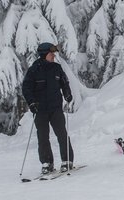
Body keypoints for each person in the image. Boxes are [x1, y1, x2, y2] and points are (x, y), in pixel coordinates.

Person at [22, 42, 74, 174]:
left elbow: (64, 82)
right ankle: (47, 163)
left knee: (62, 134)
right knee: (43, 137)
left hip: (55, 108)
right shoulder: (34, 70)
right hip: (40, 109)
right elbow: (26, 88)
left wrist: (67, 93)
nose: (53, 56)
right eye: (51, 54)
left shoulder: (57, 68)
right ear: (44, 54)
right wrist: (32, 103)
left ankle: (67, 160)